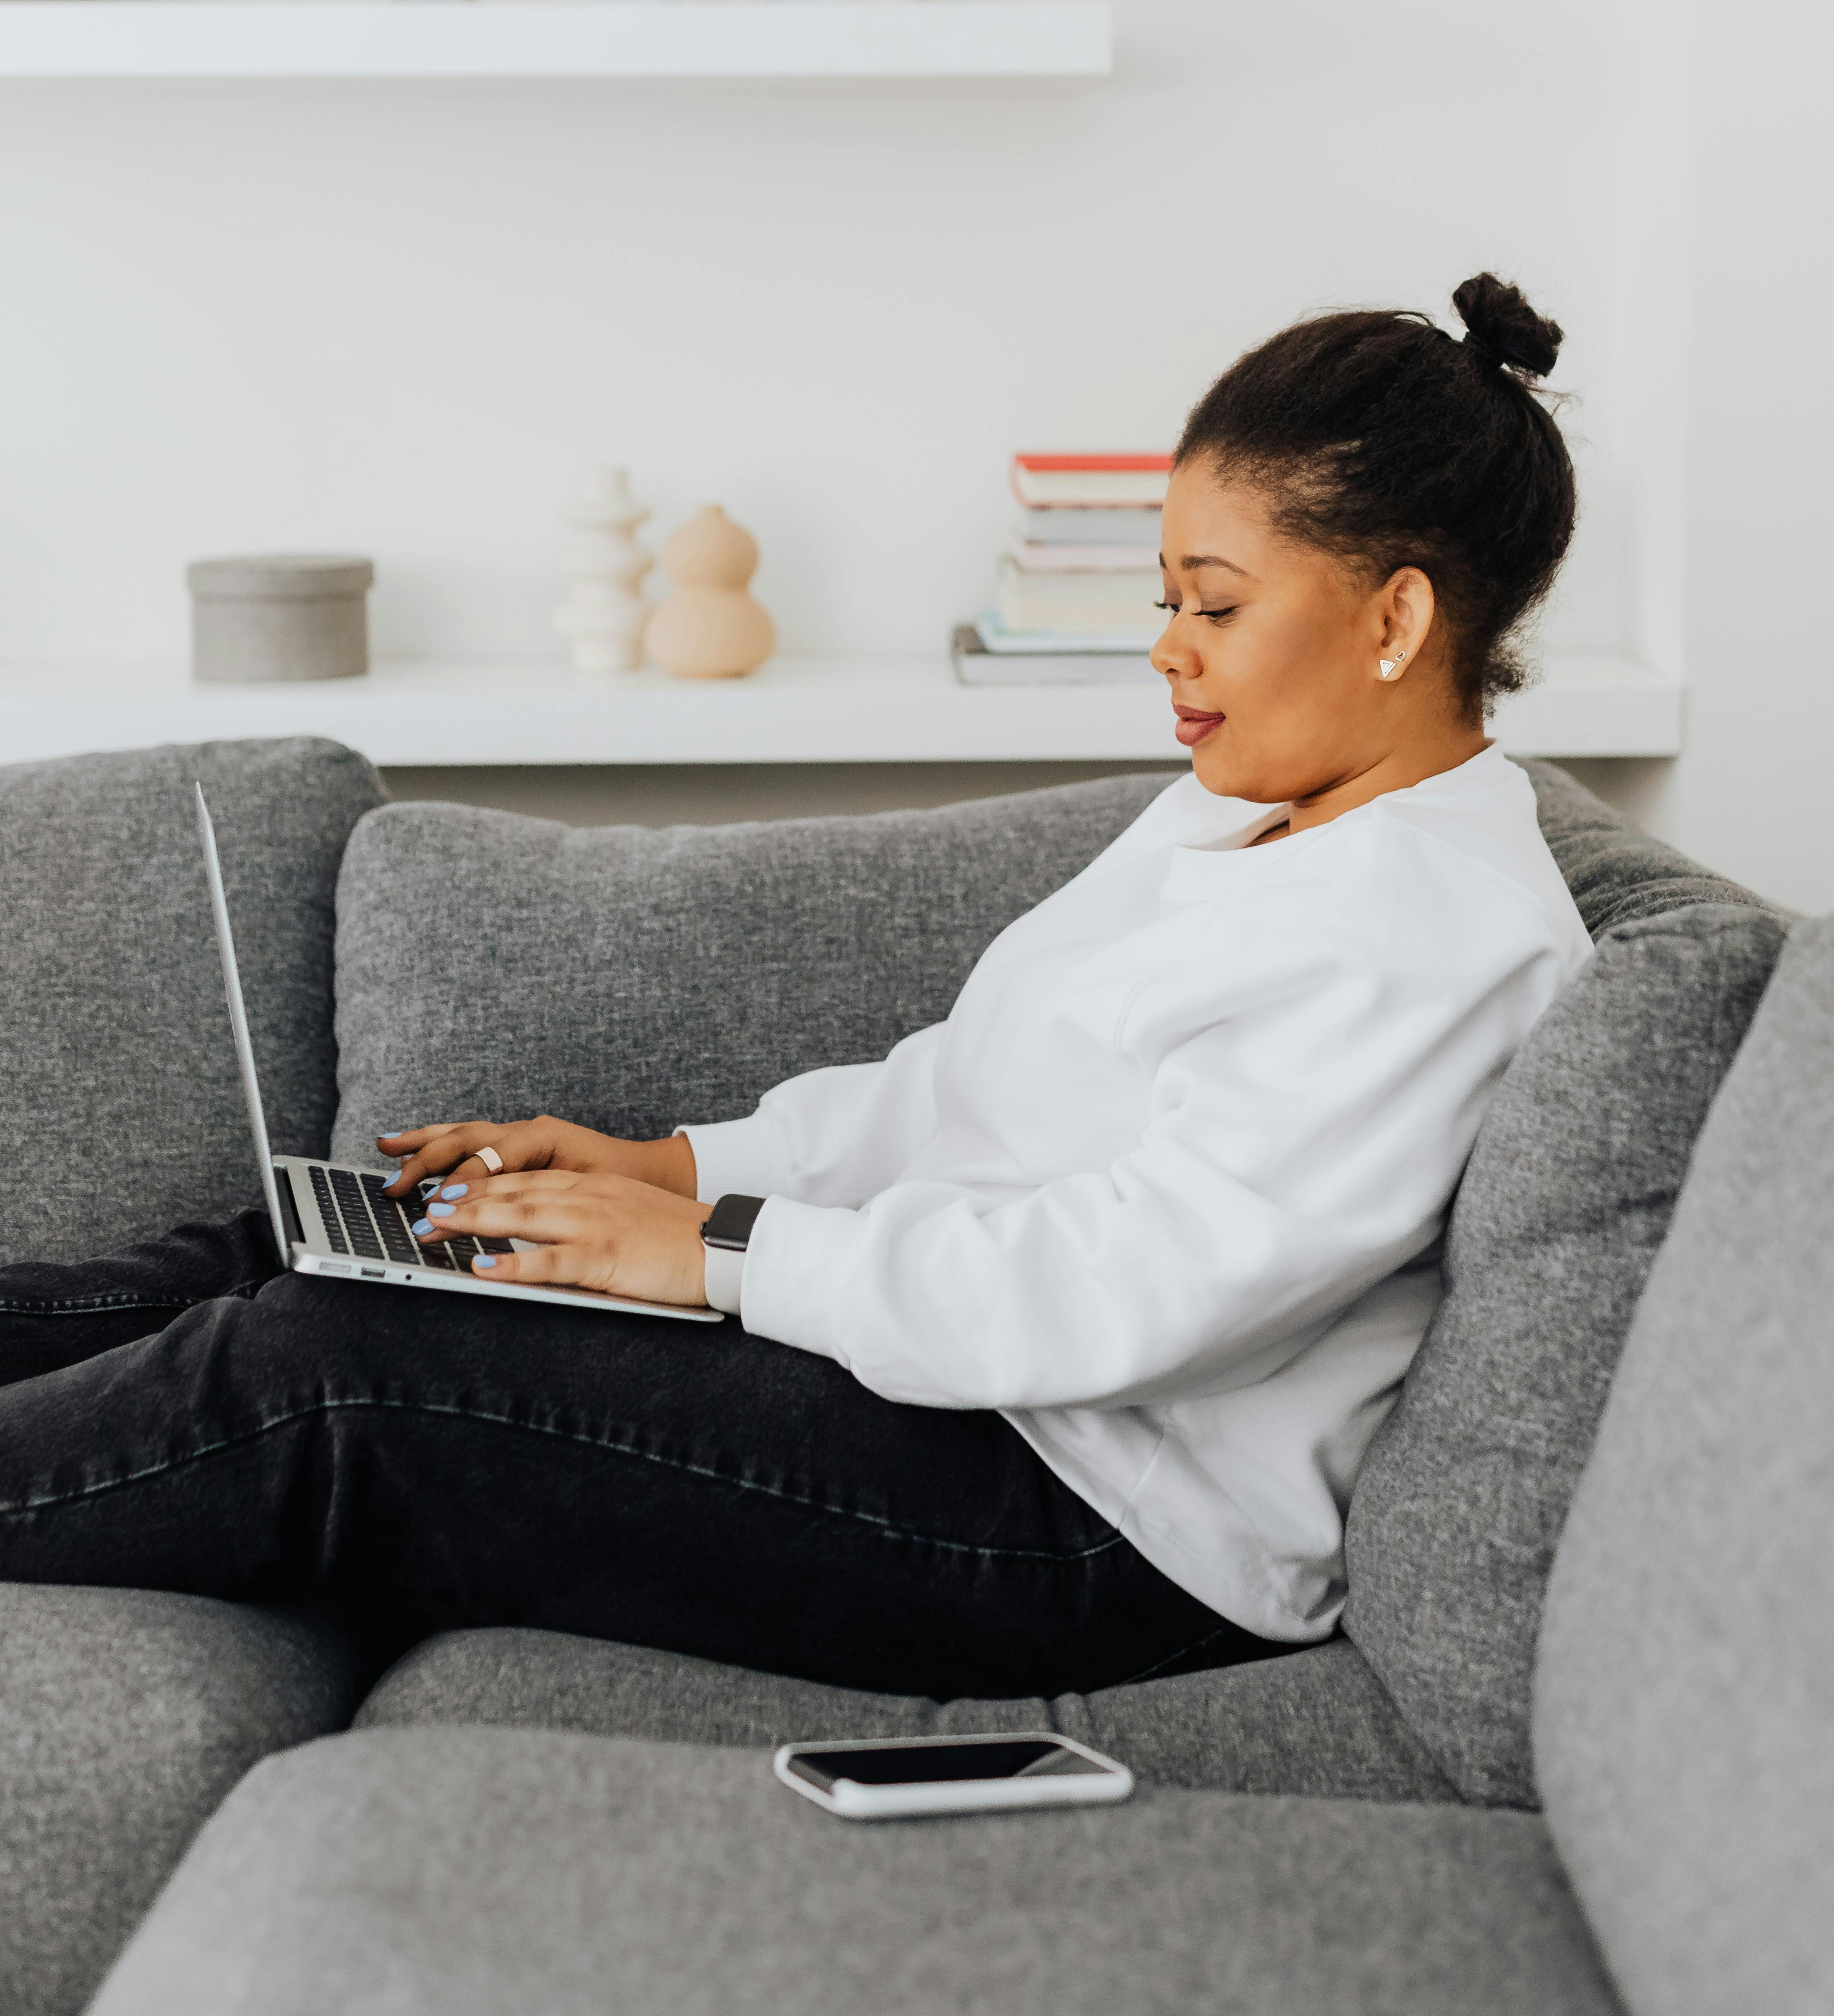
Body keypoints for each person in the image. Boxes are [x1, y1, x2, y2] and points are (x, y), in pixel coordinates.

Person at [0, 274, 1591, 1702]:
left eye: (1218, 604)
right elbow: (961, 1090)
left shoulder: (1435, 929)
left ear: (1396, 616)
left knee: (334, 1370)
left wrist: (710, 1256)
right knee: (344, 1233)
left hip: (1098, 1533)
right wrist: (676, 1170)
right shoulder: (1251, 808)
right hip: (957, 1386)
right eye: (1166, 597)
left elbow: (1125, 1291)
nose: (1170, 650)